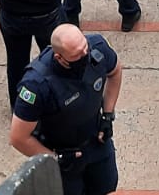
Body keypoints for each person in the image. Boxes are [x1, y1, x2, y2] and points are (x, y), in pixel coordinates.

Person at [9, 24, 123, 195]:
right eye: (77, 54)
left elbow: (115, 72)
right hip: (65, 159)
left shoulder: (98, 47)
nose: (85, 54)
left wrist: (107, 115)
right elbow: (18, 137)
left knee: (106, 187)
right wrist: (56, 159)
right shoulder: (36, 85)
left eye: (85, 47)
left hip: (97, 143)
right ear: (59, 57)